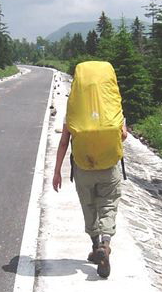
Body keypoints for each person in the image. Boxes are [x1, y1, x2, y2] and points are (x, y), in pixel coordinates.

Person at [52, 107, 127, 279]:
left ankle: (95, 247)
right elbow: (123, 135)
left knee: (89, 206)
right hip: (109, 168)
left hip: (83, 168)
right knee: (108, 205)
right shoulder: (112, 105)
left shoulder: (74, 110)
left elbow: (64, 142)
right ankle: (105, 244)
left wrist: (57, 171)